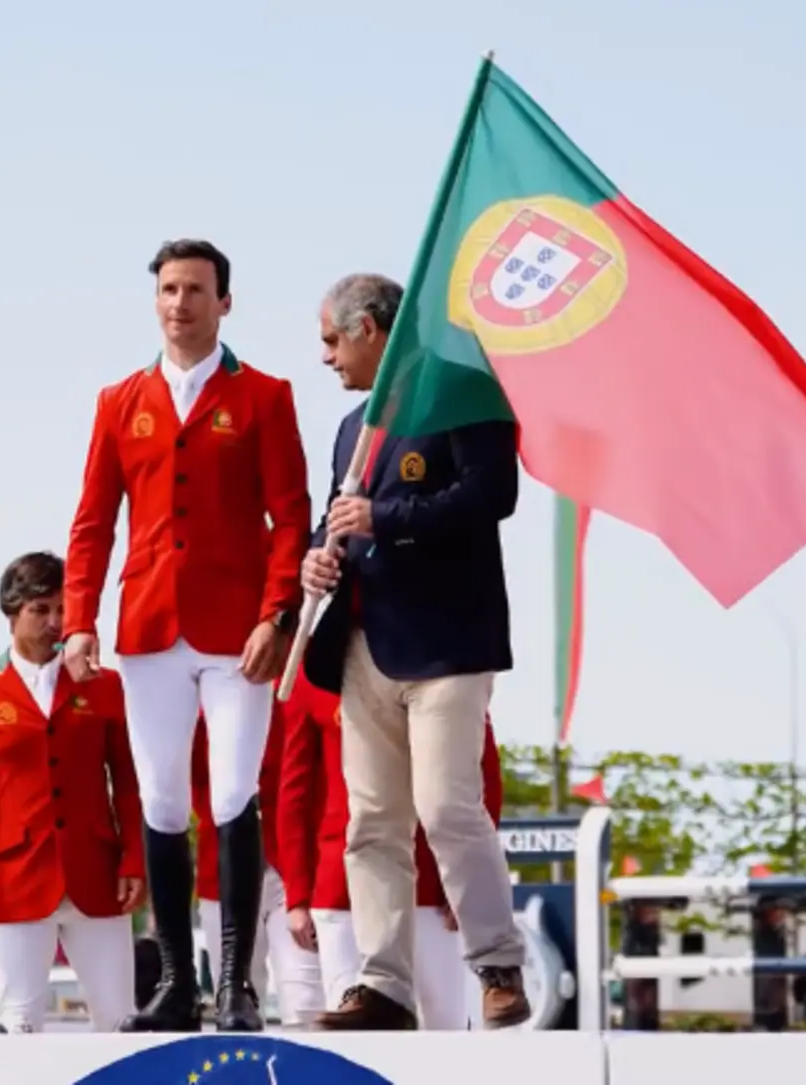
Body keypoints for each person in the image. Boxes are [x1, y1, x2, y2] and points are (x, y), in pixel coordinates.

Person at [61, 238, 311, 1033]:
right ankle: (175, 983)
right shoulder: (119, 400)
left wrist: (278, 614)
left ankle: (236, 984)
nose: (180, 303)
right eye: (169, 289)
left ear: (224, 302)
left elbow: (292, 518)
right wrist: (78, 619)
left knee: (234, 794)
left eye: (196, 289)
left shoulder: (265, 395)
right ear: (156, 299)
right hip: (148, 629)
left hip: (239, 633)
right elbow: (92, 523)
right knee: (163, 798)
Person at [299, 272, 529, 1031]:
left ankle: (497, 963)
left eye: (332, 340)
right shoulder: (351, 427)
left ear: (369, 330)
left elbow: (492, 494)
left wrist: (387, 518)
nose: (326, 357)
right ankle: (383, 984)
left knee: (447, 806)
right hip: (364, 640)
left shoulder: (464, 392)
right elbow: (336, 517)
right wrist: (315, 559)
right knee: (372, 820)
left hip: (448, 643)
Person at [0, 551, 146, 1034]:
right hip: (17, 879)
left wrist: (133, 859)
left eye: (63, 610)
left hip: (98, 875)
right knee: (19, 1022)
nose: (55, 622)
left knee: (119, 1020)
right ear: (11, 613)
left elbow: (127, 781)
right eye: (40, 610)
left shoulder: (104, 686)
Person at [277, 670, 504, 1029]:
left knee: (446, 1025)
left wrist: (466, 882)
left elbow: (484, 782)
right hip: (340, 890)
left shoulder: (446, 667)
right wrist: (298, 897)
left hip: (432, 888)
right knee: (350, 1030)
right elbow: (294, 795)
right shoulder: (312, 678)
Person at [191, 704, 325, 1025]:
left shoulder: (295, 695)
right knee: (233, 1006)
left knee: (305, 1002)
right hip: (223, 873)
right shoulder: (200, 707)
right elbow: (192, 781)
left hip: (293, 869)